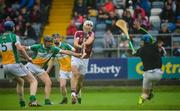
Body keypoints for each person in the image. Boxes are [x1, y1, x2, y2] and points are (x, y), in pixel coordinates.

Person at [24, 36, 81, 105]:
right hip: (31, 66)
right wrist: (25, 56)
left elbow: (66, 51)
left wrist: (77, 55)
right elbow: (24, 48)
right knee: (29, 81)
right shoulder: (37, 46)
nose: (51, 43)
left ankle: (47, 100)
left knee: (48, 83)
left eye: (51, 42)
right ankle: (30, 100)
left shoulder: (53, 49)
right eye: (49, 42)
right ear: (44, 42)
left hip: (40, 69)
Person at [0, 20, 40, 107]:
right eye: (14, 26)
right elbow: (20, 49)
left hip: (5, 66)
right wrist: (28, 58)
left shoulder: (0, 38)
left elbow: (5, 53)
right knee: (33, 81)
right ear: (12, 27)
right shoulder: (14, 36)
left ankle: (22, 101)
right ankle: (32, 100)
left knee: (20, 81)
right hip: (14, 64)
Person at [134, 34, 164, 105]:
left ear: (145, 41)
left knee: (144, 93)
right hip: (158, 75)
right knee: (151, 83)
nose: (141, 42)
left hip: (148, 75)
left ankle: (141, 101)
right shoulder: (155, 46)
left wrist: (134, 52)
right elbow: (161, 43)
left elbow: (135, 53)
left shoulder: (140, 50)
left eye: (142, 41)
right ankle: (149, 92)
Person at [71, 20, 95, 104]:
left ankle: (76, 94)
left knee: (80, 82)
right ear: (84, 25)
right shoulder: (78, 33)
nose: (89, 26)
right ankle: (73, 93)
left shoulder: (91, 34)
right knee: (75, 74)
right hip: (76, 56)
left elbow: (90, 40)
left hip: (85, 59)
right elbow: (75, 43)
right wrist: (80, 46)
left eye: (91, 25)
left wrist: (85, 43)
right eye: (87, 24)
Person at [52, 33, 75, 104]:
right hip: (62, 69)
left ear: (60, 39)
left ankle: (75, 97)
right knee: (62, 86)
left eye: (57, 38)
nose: (55, 39)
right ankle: (65, 99)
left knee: (73, 86)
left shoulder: (65, 45)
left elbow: (74, 50)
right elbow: (52, 60)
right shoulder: (53, 49)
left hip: (71, 68)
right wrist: (47, 70)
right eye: (54, 38)